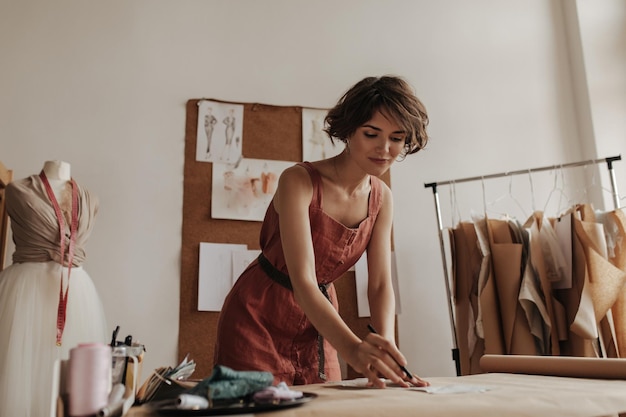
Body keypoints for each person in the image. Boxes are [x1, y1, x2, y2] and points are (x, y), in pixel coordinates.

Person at [215, 76, 430, 388]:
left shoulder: (382, 198)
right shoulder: (298, 181)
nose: (385, 149)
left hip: (320, 323)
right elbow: (303, 281)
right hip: (257, 315)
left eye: (397, 138)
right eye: (372, 134)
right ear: (349, 131)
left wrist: (385, 351)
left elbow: (381, 284)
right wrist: (354, 349)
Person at [0, 160, 108, 417]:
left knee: (71, 376)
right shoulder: (18, 191)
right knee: (21, 368)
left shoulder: (89, 198)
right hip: (26, 288)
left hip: (76, 290)